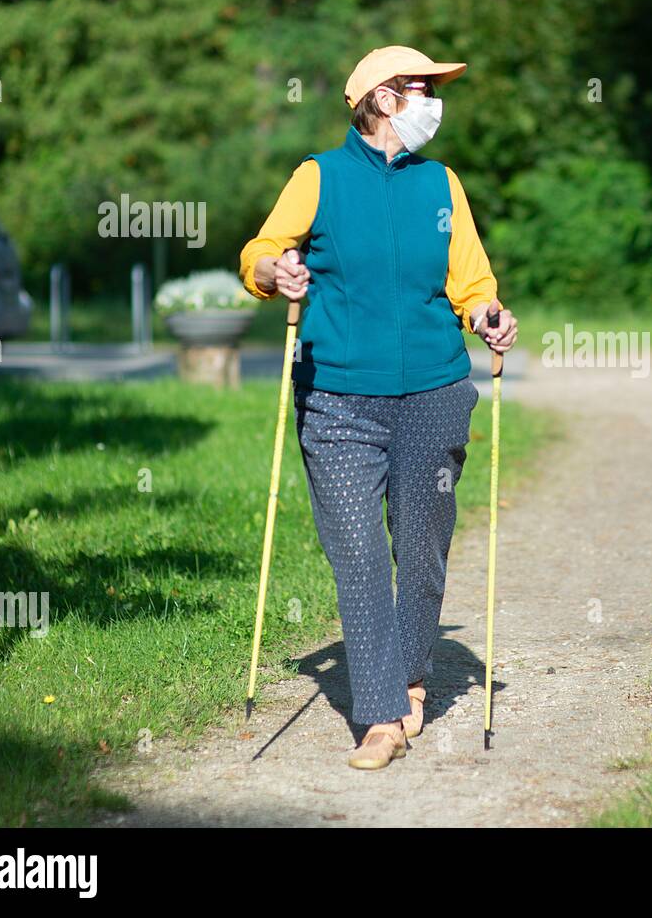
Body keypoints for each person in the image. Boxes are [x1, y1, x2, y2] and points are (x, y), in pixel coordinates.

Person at [239, 45, 518, 767]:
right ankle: (383, 715)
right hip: (336, 395)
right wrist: (279, 270)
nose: (434, 101)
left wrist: (488, 314)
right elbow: (260, 253)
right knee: (358, 551)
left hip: (433, 389)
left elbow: (473, 282)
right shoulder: (319, 176)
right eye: (422, 88)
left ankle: (414, 675)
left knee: (421, 547)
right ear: (382, 99)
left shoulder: (440, 183)